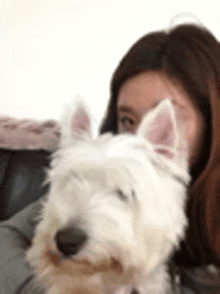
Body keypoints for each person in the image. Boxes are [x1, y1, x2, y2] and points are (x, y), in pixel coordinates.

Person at [1, 23, 220, 294]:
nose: (141, 141)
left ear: (213, 120)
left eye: (165, 124)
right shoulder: (97, 175)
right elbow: (5, 239)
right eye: (127, 119)